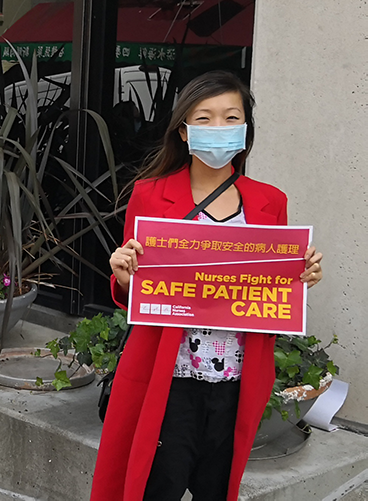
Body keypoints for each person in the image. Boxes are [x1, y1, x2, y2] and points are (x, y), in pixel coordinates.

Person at [91, 71, 324, 501]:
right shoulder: (150, 194)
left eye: (230, 117)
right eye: (204, 118)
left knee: (217, 488)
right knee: (154, 485)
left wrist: (300, 275)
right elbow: (134, 291)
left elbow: (271, 288)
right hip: (167, 375)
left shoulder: (269, 201)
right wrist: (124, 277)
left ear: (245, 128)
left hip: (237, 378)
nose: (218, 128)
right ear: (183, 130)